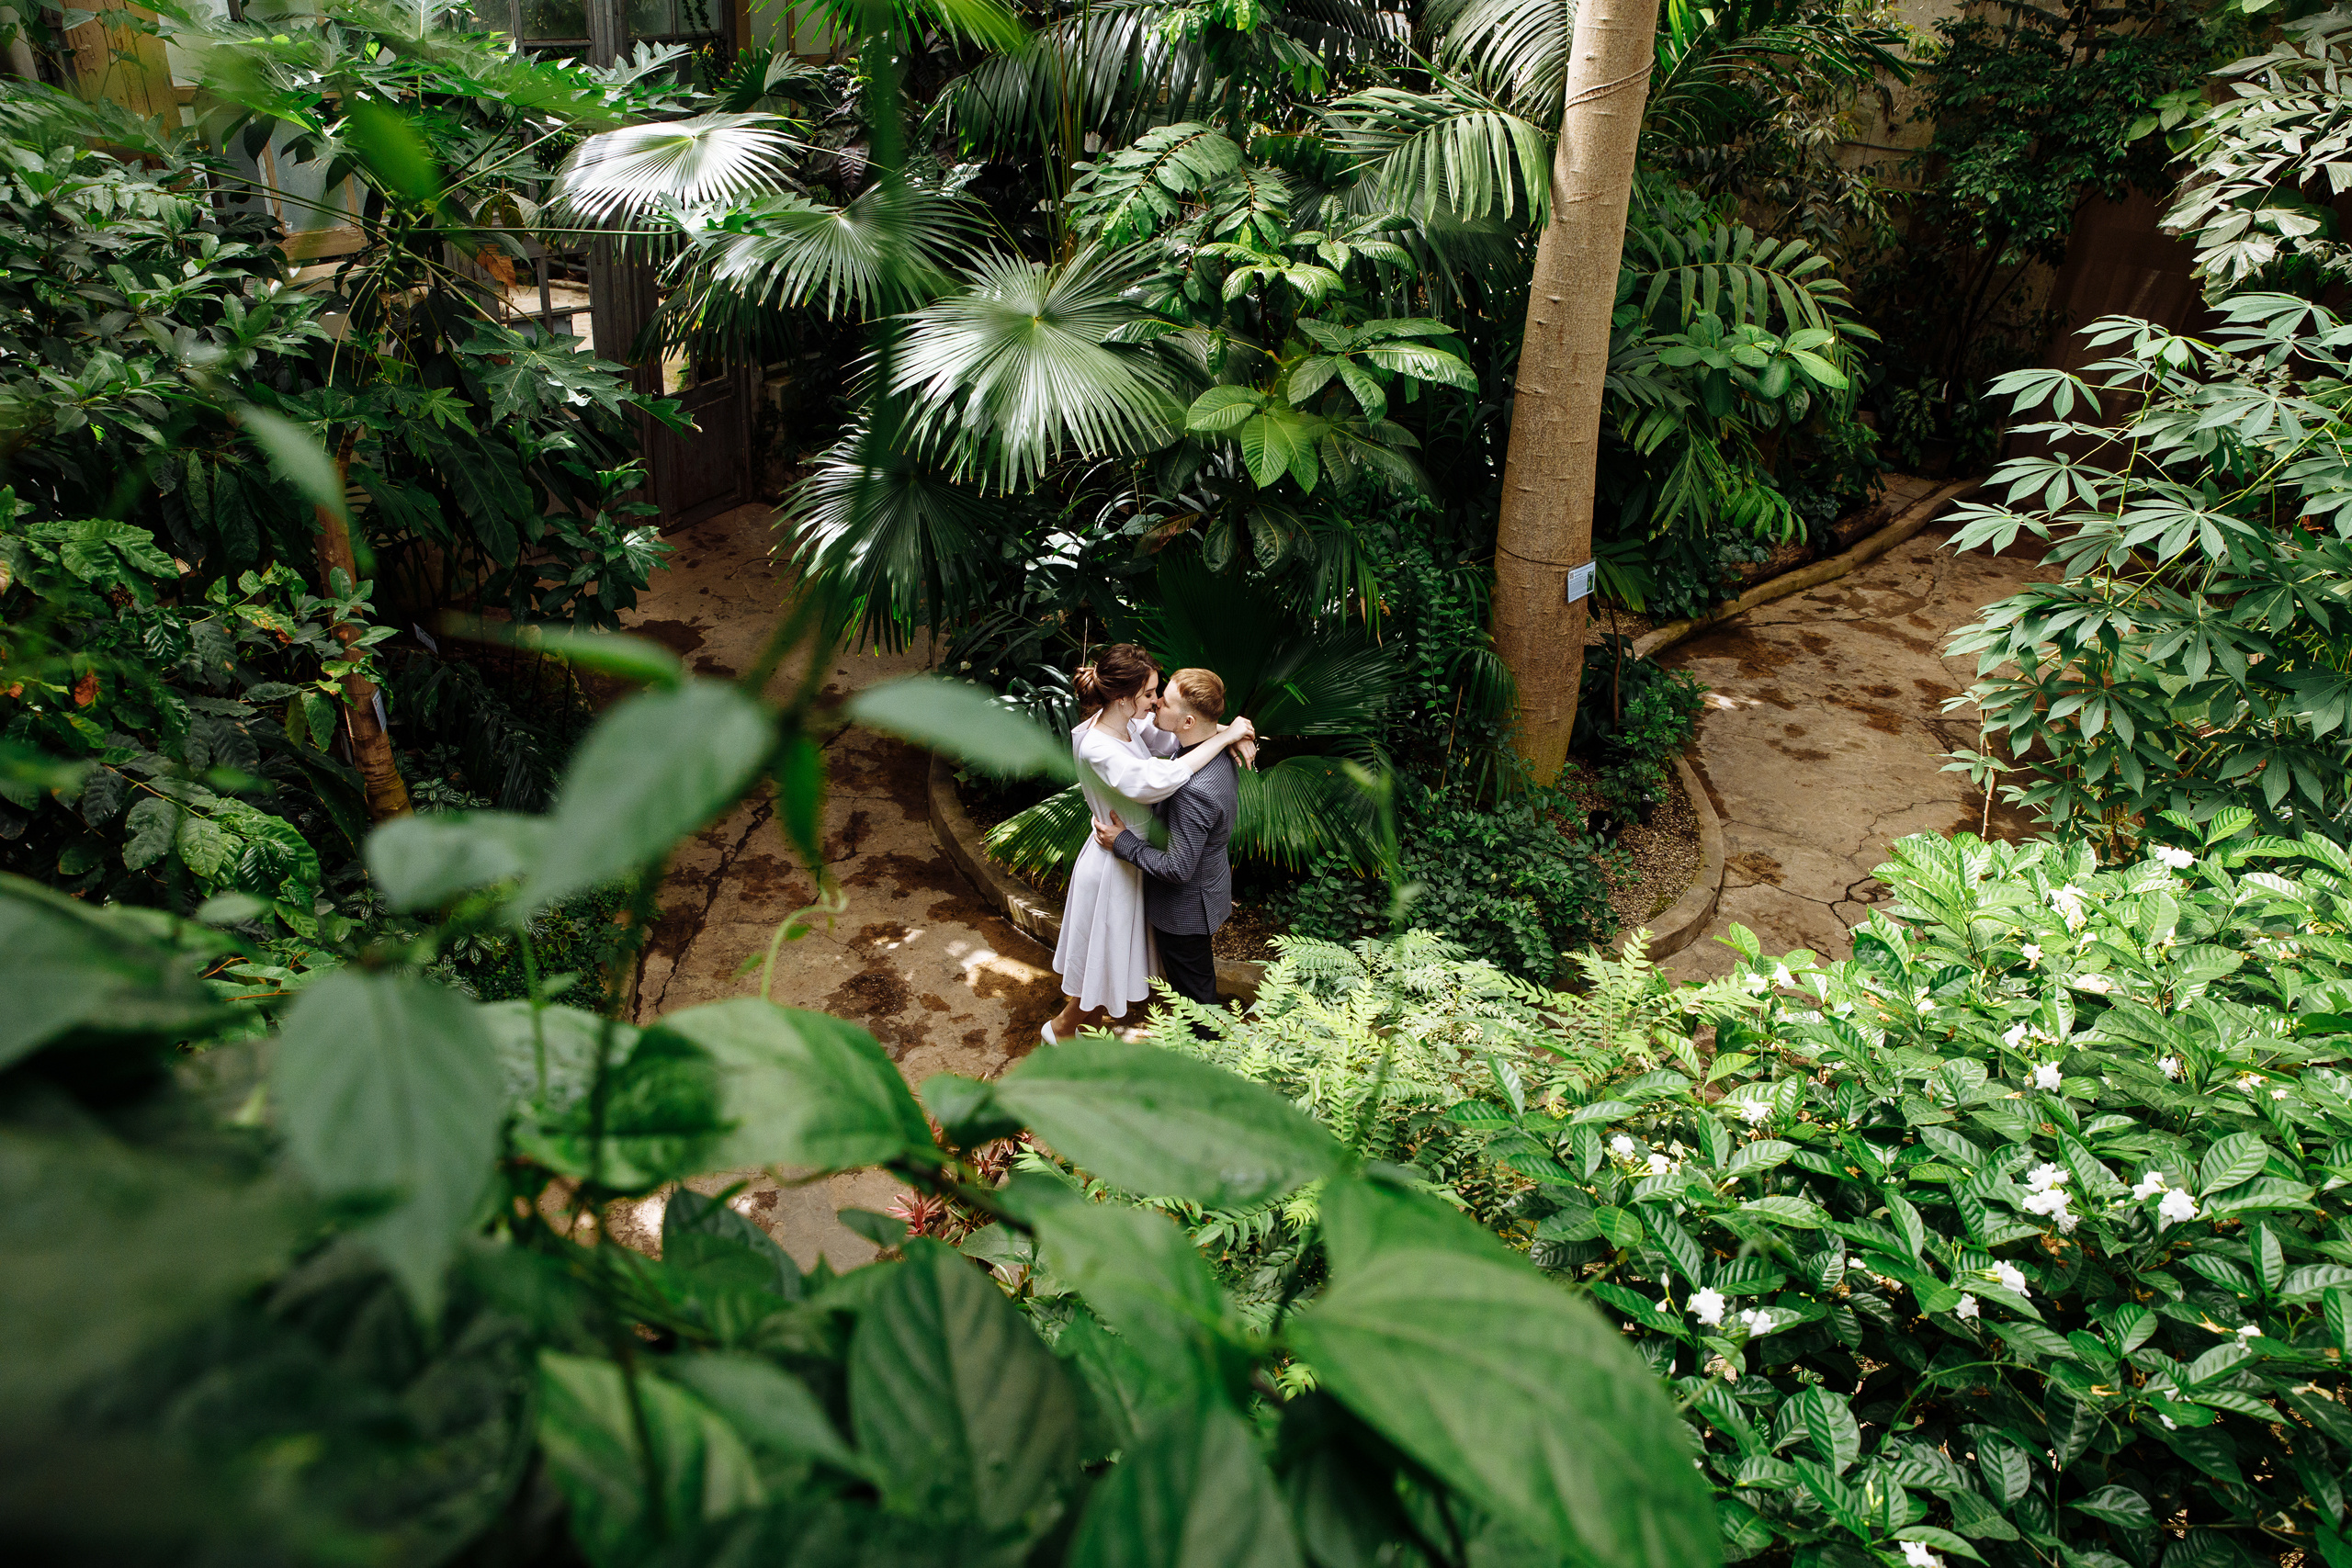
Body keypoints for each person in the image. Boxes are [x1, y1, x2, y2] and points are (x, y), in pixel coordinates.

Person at [1045, 646, 1255, 1044]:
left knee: (1117, 964)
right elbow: (1158, 779)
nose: (1156, 702)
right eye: (1150, 694)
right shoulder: (1099, 744)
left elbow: (1193, 726)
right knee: (1106, 963)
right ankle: (1061, 1030)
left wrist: (1234, 732)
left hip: (1141, 861)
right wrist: (1228, 735)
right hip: (1116, 861)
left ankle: (1066, 1029)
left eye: (1160, 695)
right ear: (1124, 698)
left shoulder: (1132, 726)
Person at [1091, 667, 1240, 1022]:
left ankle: (1209, 1067)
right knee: (1195, 992)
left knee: (1197, 1005)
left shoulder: (1193, 791)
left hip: (1184, 912)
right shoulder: (1212, 753)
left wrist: (1122, 842)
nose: (1156, 702)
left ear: (1187, 721)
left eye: (1166, 701)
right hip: (1207, 892)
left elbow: (1177, 868)